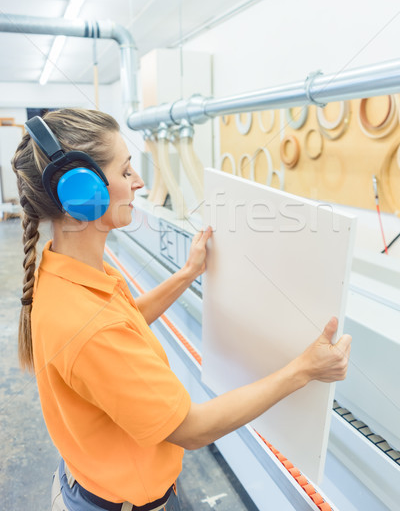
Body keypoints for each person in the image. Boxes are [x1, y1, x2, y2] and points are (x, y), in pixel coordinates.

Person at [11, 107, 352, 511]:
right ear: (81, 193)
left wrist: (189, 272)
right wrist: (304, 370)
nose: (139, 182)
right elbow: (191, 429)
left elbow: (124, 317)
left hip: (89, 483)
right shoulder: (89, 326)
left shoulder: (64, 269)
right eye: (124, 172)